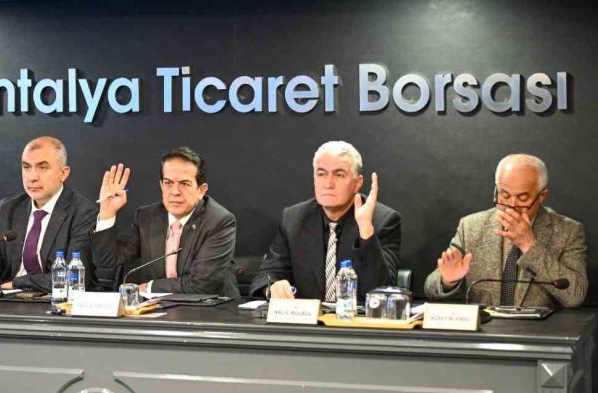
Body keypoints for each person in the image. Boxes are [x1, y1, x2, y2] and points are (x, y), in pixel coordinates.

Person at [424, 154, 587, 308]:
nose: (511, 205)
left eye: (522, 198)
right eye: (505, 195)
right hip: (484, 326)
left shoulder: (568, 231)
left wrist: (530, 246)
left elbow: (575, 296)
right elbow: (430, 288)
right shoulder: (471, 226)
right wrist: (448, 280)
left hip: (536, 327)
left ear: (542, 195)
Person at [250, 140, 401, 300]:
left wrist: (366, 232)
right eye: (321, 174)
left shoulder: (383, 221)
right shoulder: (293, 219)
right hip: (308, 316)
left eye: (339, 175)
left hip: (355, 316)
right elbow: (267, 275)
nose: (328, 184)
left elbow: (382, 292)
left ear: (357, 183)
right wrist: (272, 287)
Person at [90, 147, 239, 297]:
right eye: (168, 183)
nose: (175, 192)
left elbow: (201, 285)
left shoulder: (219, 221)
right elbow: (106, 261)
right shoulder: (147, 217)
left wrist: (149, 287)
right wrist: (107, 212)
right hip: (156, 308)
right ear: (161, 185)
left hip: (210, 307)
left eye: (184, 184)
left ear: (201, 190)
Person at [0, 136, 97, 292]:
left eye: (42, 168)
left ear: (63, 173)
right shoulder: (9, 209)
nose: (32, 177)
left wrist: (16, 283)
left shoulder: (83, 213)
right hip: (6, 300)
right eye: (27, 167)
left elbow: (74, 277)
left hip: (55, 300)